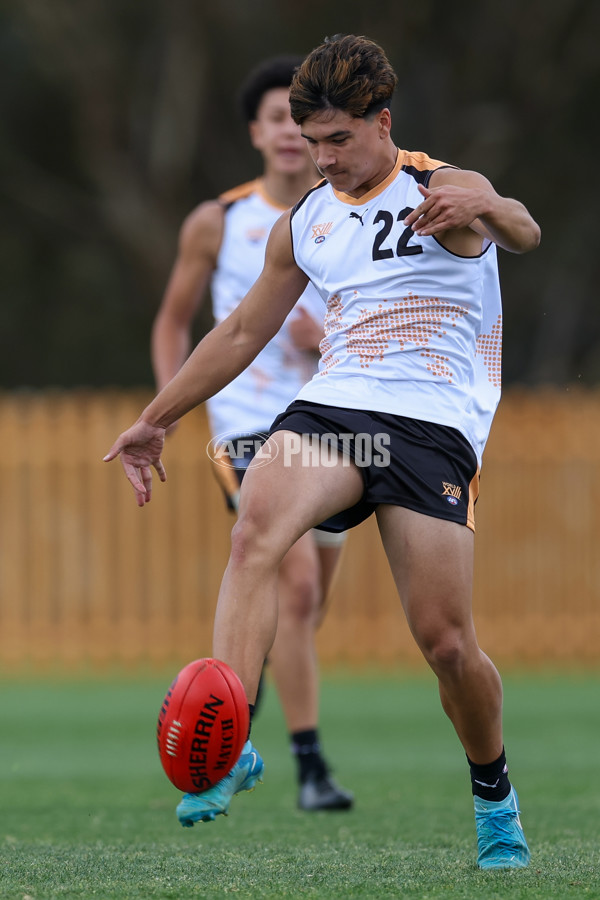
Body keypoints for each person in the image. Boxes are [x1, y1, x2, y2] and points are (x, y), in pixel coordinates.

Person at [104, 34, 541, 868]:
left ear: (382, 122)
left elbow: (524, 230)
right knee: (254, 533)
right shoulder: (307, 217)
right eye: (313, 143)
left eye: (340, 140)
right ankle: (232, 746)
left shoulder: (438, 184)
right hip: (334, 413)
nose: (325, 159)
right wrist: (156, 418)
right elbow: (239, 332)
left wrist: (483, 209)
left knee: (447, 645)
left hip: (431, 428)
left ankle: (494, 796)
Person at [150, 55, 352, 813]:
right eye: (275, 119)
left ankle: (238, 731)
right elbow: (174, 320)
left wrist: (322, 337)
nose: (289, 135)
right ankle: (306, 768)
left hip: (343, 426)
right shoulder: (219, 221)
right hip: (244, 428)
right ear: (257, 132)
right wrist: (175, 407)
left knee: (304, 606)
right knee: (293, 584)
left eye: (299, 121)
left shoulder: (349, 213)